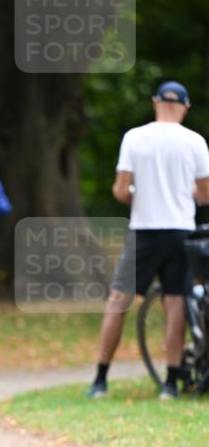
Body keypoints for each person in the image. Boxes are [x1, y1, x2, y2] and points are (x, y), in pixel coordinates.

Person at [88, 81, 209, 400]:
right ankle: (170, 383)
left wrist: (136, 196)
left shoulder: (135, 137)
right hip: (181, 231)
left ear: (156, 102)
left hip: (144, 232)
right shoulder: (195, 141)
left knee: (119, 301)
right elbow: (205, 193)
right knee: (175, 302)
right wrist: (189, 195)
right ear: (185, 107)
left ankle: (100, 378)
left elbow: (120, 189)